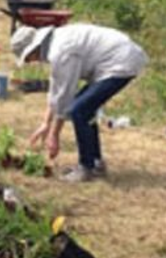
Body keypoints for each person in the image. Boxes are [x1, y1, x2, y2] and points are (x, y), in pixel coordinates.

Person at [10, 23, 147, 182]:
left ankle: (86, 168)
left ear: (34, 49)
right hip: (116, 59)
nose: (28, 62)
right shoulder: (56, 45)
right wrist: (45, 123)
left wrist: (54, 135)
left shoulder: (61, 52)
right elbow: (56, 88)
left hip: (120, 62)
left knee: (79, 110)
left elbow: (65, 95)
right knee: (84, 109)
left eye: (27, 58)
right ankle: (95, 163)